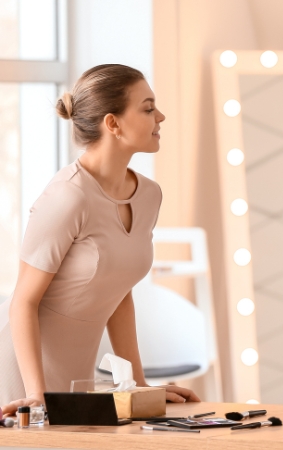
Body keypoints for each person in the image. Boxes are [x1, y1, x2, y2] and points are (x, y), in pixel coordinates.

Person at [0, 64, 199, 416]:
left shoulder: (149, 195)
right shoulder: (67, 197)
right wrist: (36, 394)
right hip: (19, 379)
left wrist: (136, 386)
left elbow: (118, 292)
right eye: (149, 108)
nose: (161, 116)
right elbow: (23, 302)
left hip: (75, 380)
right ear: (113, 123)